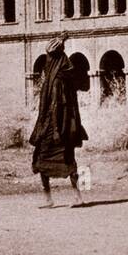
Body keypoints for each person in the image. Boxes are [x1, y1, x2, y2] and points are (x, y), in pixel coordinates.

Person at [28, 34, 89, 208]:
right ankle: (50, 199)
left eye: (49, 56)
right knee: (42, 159)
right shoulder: (57, 74)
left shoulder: (58, 78)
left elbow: (56, 105)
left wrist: (54, 130)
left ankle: (76, 198)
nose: (47, 60)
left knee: (67, 160)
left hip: (58, 127)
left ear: (54, 57)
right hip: (56, 125)